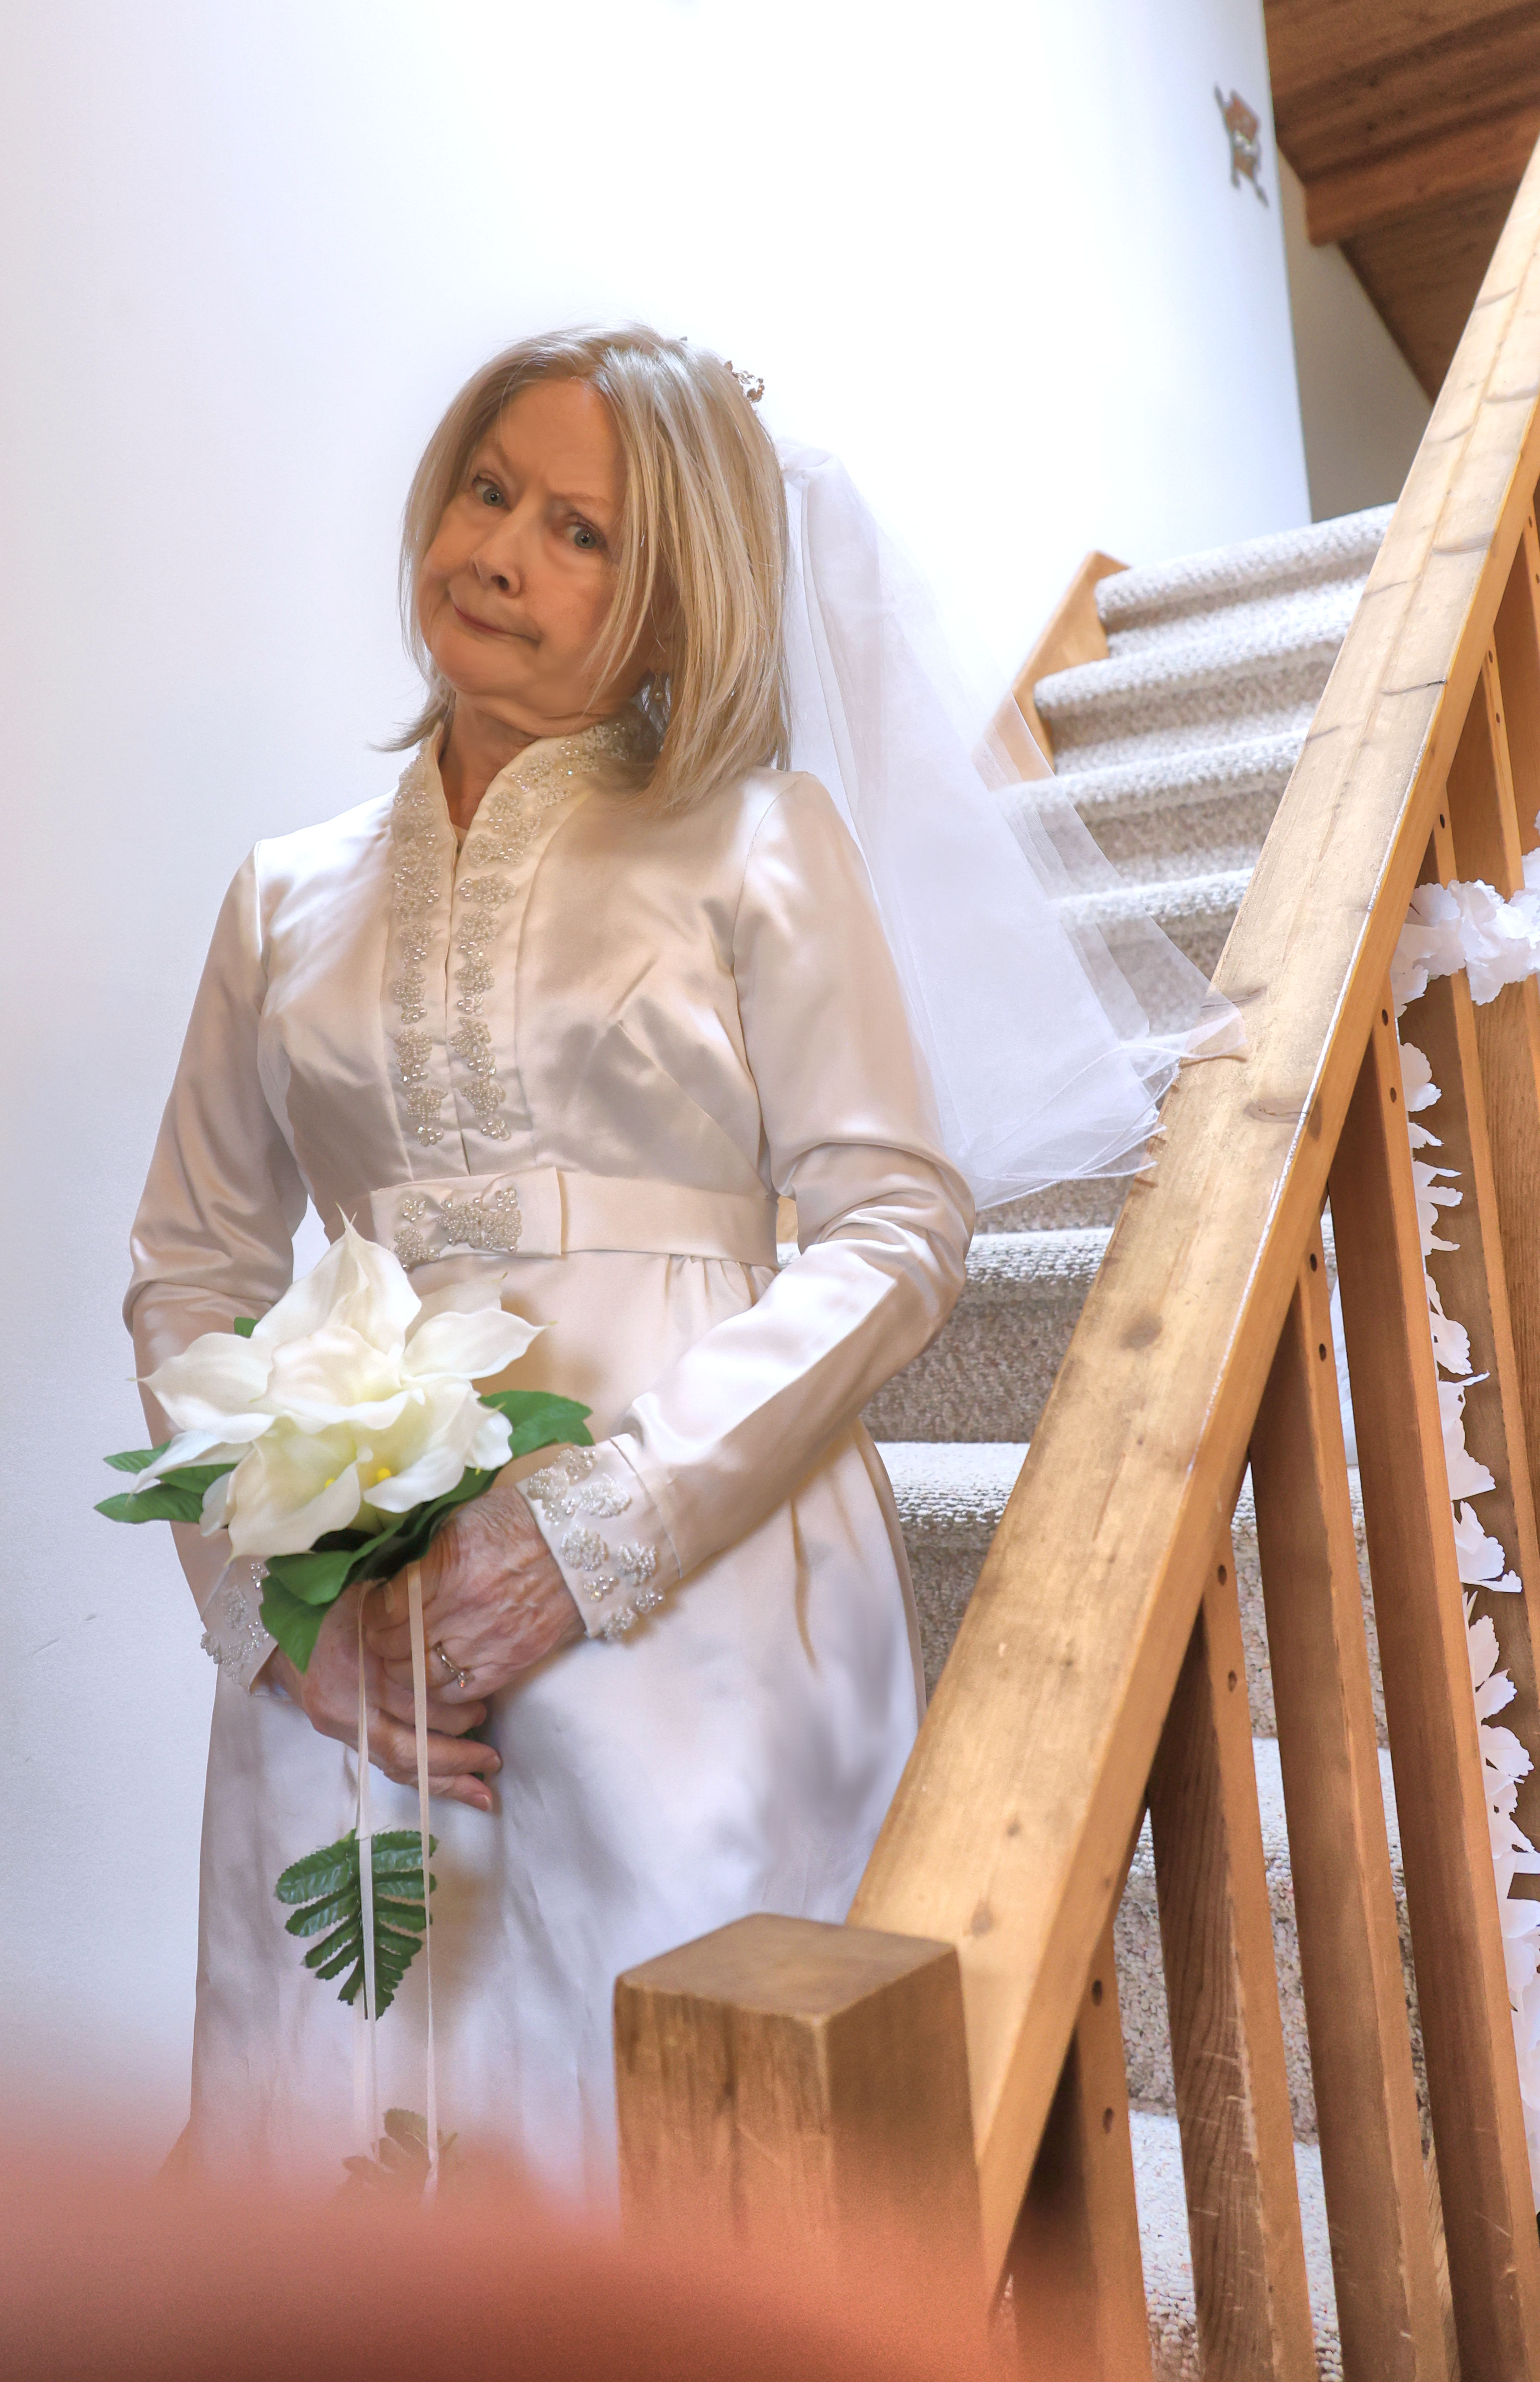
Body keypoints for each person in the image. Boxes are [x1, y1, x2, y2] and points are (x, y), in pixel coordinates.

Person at [126, 325, 976, 2197]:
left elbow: (899, 1219)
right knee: (341, 2133)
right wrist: (273, 1619)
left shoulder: (759, 840)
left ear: (672, 605)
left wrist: (609, 1525)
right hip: (355, 1624)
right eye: (488, 491)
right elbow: (189, 1267)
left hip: (696, 1592)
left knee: (676, 2142)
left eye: (580, 532)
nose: (501, 552)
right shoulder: (282, 895)